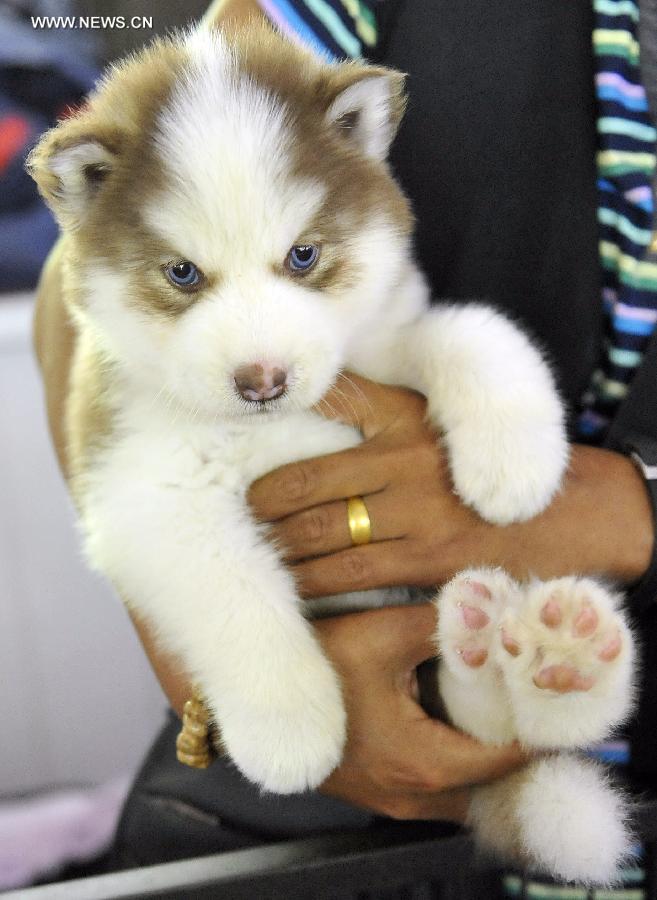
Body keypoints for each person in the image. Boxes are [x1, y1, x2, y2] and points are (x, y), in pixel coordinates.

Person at [33, 0, 657, 892]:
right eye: (184, 277)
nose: (259, 359)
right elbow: (76, 301)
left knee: (493, 628)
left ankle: (515, 700)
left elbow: (436, 344)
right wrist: (233, 694)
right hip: (323, 838)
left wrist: (631, 501)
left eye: (299, 262)